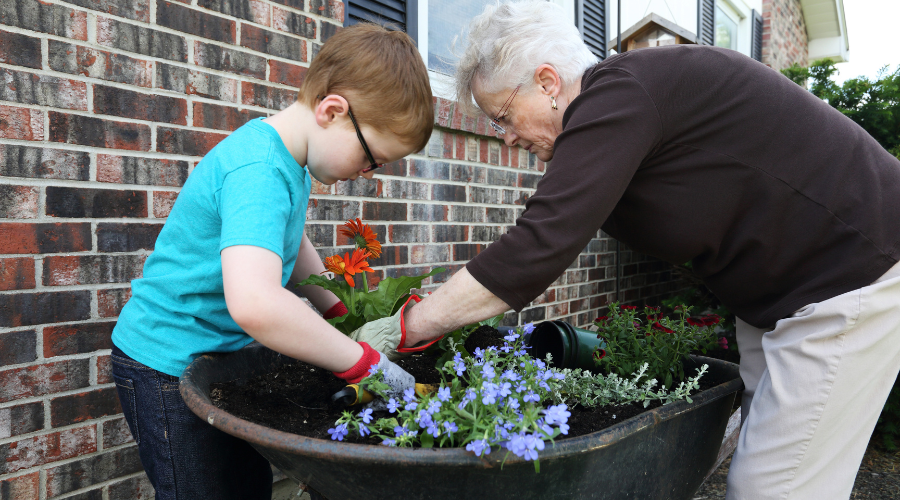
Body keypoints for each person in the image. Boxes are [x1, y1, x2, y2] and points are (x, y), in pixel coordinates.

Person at [351, 2, 900, 499]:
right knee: (773, 468)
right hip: (775, 301)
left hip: (847, 277)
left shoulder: (619, 94)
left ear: (547, 82)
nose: (507, 138)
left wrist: (408, 327)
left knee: (772, 490)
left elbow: (539, 245)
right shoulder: (618, 111)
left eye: (502, 117)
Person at [110, 24, 432, 500]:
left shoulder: (287, 159)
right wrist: (363, 363)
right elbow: (256, 304)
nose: (366, 174)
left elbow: (289, 240)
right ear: (333, 110)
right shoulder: (258, 170)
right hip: (167, 366)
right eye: (371, 159)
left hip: (217, 360)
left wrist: (337, 310)